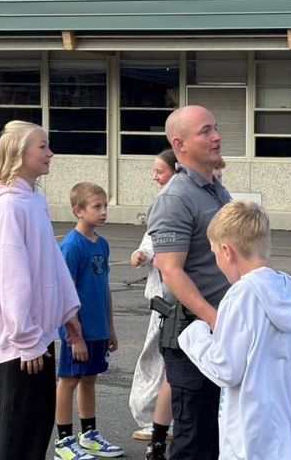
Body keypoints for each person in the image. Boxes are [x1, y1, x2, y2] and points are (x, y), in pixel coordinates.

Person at [178, 200, 291, 460]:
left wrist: (194, 335)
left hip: (244, 436)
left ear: (227, 251)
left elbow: (226, 368)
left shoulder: (240, 295)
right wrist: (278, 376)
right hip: (282, 434)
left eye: (214, 253)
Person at [0, 120, 83, 460]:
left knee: (36, 433)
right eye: (43, 146)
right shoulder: (9, 206)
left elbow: (50, 262)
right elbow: (11, 278)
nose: (50, 153)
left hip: (37, 337)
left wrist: (68, 314)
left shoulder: (32, 199)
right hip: (20, 345)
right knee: (18, 438)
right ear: (19, 153)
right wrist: (26, 339)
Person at [146, 106, 232, 460]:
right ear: (179, 144)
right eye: (205, 131)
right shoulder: (175, 198)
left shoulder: (215, 190)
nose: (216, 137)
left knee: (217, 436)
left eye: (215, 128)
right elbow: (171, 271)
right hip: (193, 335)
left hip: (220, 332)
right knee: (194, 440)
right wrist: (214, 319)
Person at [54, 182, 123, 459]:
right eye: (97, 207)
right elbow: (64, 291)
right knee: (69, 380)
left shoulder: (102, 244)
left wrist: (110, 328)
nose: (104, 211)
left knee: (89, 378)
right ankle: (63, 441)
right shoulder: (71, 246)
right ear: (78, 211)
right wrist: (75, 336)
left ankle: (89, 434)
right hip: (77, 332)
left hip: (98, 329)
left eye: (105, 206)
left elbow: (104, 288)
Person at [128, 149, 177, 449]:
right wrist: (144, 254)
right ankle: (151, 418)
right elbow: (152, 238)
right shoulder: (163, 202)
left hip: (177, 300)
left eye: (159, 171)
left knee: (165, 360)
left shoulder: (178, 201)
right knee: (156, 358)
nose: (154, 177)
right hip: (163, 300)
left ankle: (157, 420)